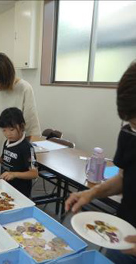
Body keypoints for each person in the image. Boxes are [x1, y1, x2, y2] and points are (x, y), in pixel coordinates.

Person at [65, 62, 136, 264]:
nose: (133, 130)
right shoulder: (129, 133)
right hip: (123, 234)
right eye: (131, 124)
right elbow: (124, 178)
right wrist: (92, 193)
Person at [0, 53, 41, 172]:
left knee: (9, 185)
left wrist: (22, 155)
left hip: (13, 154)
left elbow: (29, 128)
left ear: (8, 76)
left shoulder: (24, 88)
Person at [0, 107, 38, 197]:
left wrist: (14, 174)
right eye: (4, 130)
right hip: (6, 186)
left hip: (20, 191)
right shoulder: (7, 142)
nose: (8, 134)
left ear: (22, 126)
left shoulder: (27, 148)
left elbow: (34, 173)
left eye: (11, 129)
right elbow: (6, 162)